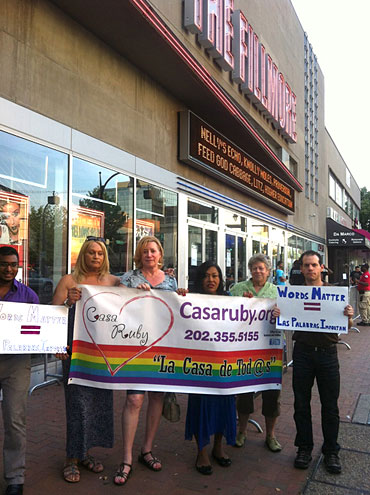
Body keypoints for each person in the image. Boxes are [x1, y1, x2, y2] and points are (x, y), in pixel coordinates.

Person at [53, 236, 120, 483]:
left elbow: (139, 302)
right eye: (91, 252)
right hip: (76, 356)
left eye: (100, 253)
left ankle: (85, 453)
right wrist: (67, 302)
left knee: (97, 406)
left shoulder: (113, 282)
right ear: (83, 255)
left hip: (102, 357)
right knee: (77, 406)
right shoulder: (69, 281)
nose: (95, 257)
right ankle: (71, 458)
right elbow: (54, 315)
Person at [280, 250, 353, 474]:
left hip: (328, 354)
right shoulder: (294, 294)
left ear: (321, 267)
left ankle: (331, 451)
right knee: (301, 404)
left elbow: (346, 328)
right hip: (302, 354)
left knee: (330, 406)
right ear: (301, 269)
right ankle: (304, 448)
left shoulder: (334, 293)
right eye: (306, 265)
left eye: (314, 265)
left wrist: (348, 317)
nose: (310, 269)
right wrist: (277, 313)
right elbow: (284, 317)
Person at [114, 236, 178, 486]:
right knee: (134, 399)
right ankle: (127, 458)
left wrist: (181, 296)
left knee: (157, 397)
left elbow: (177, 310)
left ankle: (146, 450)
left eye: (153, 251)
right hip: (136, 347)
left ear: (160, 254)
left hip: (162, 347)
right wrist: (128, 293)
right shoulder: (129, 279)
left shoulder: (170, 280)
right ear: (138, 256)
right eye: (144, 251)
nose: (149, 254)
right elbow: (115, 305)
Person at [185, 261, 236, 475]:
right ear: (200, 279)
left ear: (221, 279)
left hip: (224, 367)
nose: (211, 280)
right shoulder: (191, 299)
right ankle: (202, 451)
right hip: (200, 366)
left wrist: (251, 305)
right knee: (201, 407)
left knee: (224, 406)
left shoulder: (231, 301)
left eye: (215, 276)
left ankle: (218, 447)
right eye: (206, 276)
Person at [230, 254, 281, 452]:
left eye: (262, 268)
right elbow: (226, 313)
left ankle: (271, 435)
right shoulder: (238, 289)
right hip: (244, 348)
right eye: (255, 268)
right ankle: (241, 431)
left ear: (269, 271)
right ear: (250, 270)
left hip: (270, 348)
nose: (258, 271)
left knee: (272, 392)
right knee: (244, 392)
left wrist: (280, 313)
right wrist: (241, 305)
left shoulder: (277, 291)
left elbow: (289, 317)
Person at [0, 246, 39, 495]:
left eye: (13, 265)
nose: (9, 269)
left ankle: (15, 478)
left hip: (15, 362)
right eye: (4, 264)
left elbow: (40, 328)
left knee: (15, 419)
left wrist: (54, 343)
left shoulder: (27, 295)